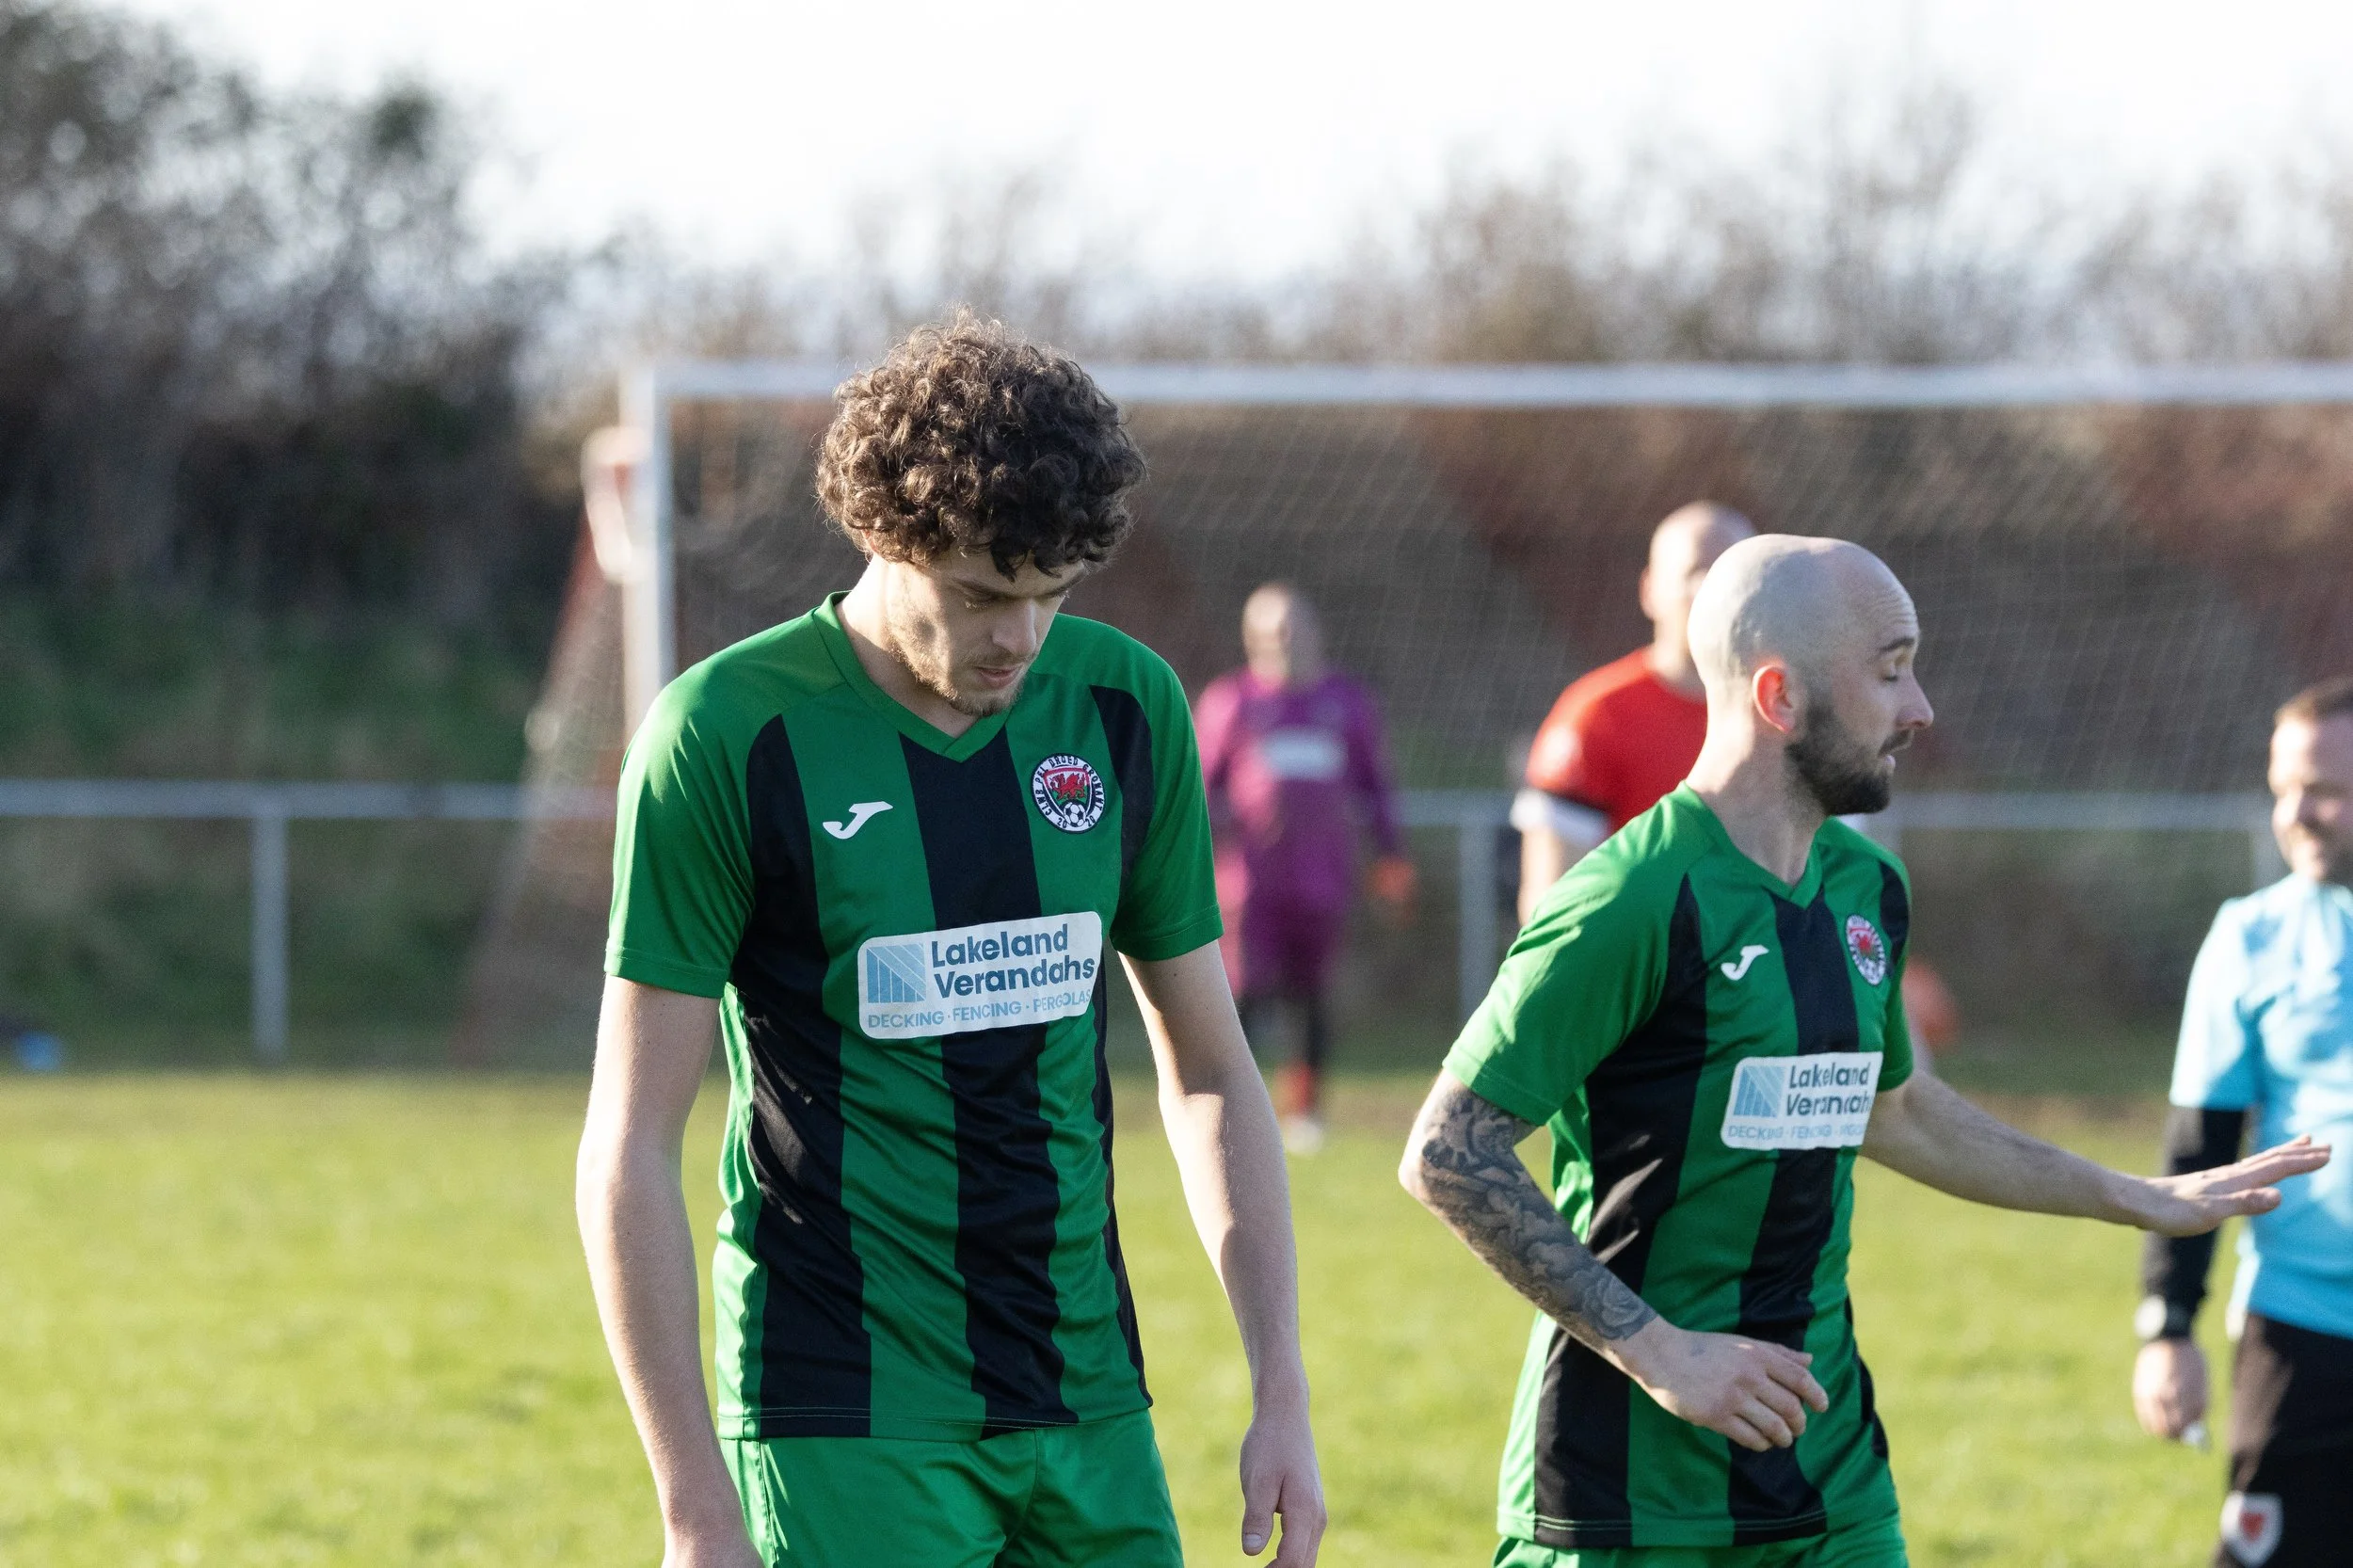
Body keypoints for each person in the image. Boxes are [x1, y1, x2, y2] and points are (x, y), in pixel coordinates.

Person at [1398, 534, 2329, 1566]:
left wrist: (2136, 1196)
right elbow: (1447, 1151)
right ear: (1779, 699)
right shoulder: (1626, 903)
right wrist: (1658, 1351)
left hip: (1829, 1479)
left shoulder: (1864, 887)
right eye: (1890, 671)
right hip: (1629, 1496)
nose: (1920, 706)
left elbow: (1897, 1108)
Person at [577, 315, 1324, 1568]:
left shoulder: (1125, 708)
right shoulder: (724, 736)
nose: (1019, 640)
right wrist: (693, 1500)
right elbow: (632, 1137)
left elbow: (1207, 1069)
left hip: (1091, 1406)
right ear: (883, 532)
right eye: (980, 594)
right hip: (846, 1414)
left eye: (1050, 595)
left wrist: (1282, 1390)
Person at [2132, 675, 2353, 1568]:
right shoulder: (2250, 937)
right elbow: (2200, 1146)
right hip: (2301, 1325)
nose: (2297, 813)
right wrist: (2168, 1326)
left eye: (2327, 790)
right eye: (2282, 790)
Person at [1195, 584, 1415, 1153]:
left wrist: (1392, 858)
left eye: (1293, 629)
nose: (1284, 642)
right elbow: (1195, 793)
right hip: (1249, 885)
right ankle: (1230, 1109)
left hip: (1323, 880)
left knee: (1312, 994)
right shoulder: (1232, 702)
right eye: (1271, 632)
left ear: (1315, 632)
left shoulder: (1346, 702)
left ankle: (1307, 1112)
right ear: (1252, 639)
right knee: (1243, 995)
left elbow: (1377, 789)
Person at [1513, 503, 1753, 926]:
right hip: (1644, 977)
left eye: (1727, 574)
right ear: (1650, 589)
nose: (1709, 590)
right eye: (1694, 573)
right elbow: (1550, 900)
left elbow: (1844, 877)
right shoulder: (1596, 714)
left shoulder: (1793, 712)